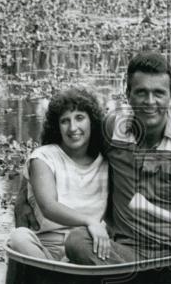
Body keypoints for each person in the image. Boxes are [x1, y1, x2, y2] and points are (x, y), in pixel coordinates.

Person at [62, 50, 171, 264]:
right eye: (141, 92)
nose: (150, 101)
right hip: (125, 253)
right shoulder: (111, 130)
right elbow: (61, 154)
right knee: (77, 240)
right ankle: (145, 282)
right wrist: (27, 195)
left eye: (159, 93)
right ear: (128, 94)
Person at [7, 87, 111, 261]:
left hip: (87, 246)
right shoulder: (43, 157)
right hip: (45, 249)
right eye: (65, 121)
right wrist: (90, 221)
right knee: (19, 237)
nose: (73, 128)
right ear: (57, 126)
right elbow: (49, 207)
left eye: (79, 118)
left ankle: (59, 277)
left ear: (91, 121)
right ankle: (52, 274)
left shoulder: (106, 161)